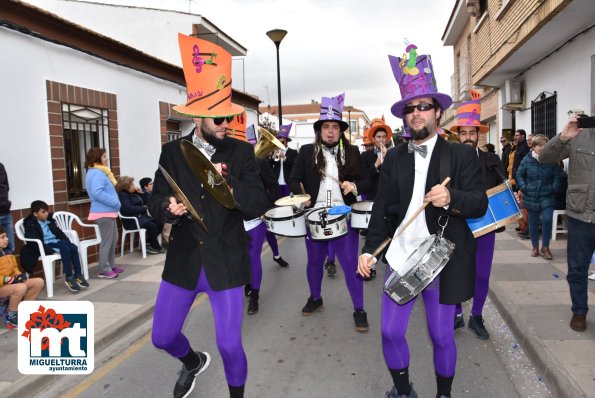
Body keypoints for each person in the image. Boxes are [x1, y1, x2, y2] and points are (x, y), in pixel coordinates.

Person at [357, 45, 487, 398]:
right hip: (400, 257)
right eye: (410, 108)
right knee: (390, 333)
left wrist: (452, 198)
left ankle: (444, 394)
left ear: (438, 112)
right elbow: (382, 209)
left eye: (423, 106)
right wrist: (369, 250)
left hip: (440, 260)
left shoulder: (460, 154)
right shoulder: (396, 157)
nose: (416, 114)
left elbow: (479, 203)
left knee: (441, 335)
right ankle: (404, 391)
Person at [149, 33, 269, 398]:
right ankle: (192, 362)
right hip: (184, 258)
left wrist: (230, 188)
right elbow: (154, 200)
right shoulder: (172, 152)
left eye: (229, 116)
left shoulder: (240, 152)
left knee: (230, 345)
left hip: (226, 259)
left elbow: (258, 201)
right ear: (199, 116)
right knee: (162, 337)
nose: (225, 124)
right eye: (217, 118)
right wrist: (168, 208)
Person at [288, 92, 371, 332]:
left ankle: (359, 309)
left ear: (340, 130)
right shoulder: (305, 152)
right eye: (326, 127)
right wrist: (302, 197)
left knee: (349, 264)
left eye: (335, 127)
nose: (331, 131)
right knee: (314, 262)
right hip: (315, 218)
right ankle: (315, 297)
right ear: (319, 130)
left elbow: (368, 182)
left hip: (344, 217)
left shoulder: (353, 152)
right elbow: (293, 180)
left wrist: (354, 186)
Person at [452, 97, 505, 339]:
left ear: (478, 134)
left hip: (485, 227)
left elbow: (502, 190)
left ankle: (476, 316)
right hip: (457, 226)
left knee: (482, 274)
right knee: (455, 271)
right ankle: (455, 313)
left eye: (472, 132)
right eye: (463, 132)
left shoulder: (491, 161)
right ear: (458, 134)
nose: (467, 137)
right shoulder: (448, 161)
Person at [540, 116, 595, 332]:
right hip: (581, 215)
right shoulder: (580, 134)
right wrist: (563, 137)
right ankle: (579, 311)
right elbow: (545, 157)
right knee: (577, 269)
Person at [22, 200, 90, 292]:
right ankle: (69, 277)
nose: (46, 214)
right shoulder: (31, 225)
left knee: (73, 247)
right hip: (46, 245)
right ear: (35, 214)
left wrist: (68, 242)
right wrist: (50, 251)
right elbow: (34, 242)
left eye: (47, 211)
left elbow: (59, 232)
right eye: (43, 212)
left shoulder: (49, 221)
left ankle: (78, 275)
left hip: (56, 241)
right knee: (65, 249)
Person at [517, 135, 564, 260]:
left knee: (547, 219)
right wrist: (524, 187)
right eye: (540, 146)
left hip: (547, 196)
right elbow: (519, 175)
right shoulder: (526, 160)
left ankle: (545, 247)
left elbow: (557, 177)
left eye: (545, 146)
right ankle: (535, 247)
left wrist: (553, 189)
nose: (542, 148)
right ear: (534, 146)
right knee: (533, 222)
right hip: (531, 196)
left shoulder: (551, 160)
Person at [85, 147, 122, 279]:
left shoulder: (99, 172)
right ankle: (103, 269)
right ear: (97, 158)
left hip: (108, 212)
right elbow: (97, 192)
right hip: (103, 212)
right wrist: (115, 202)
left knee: (113, 240)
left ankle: (110, 265)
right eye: (104, 156)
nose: (107, 159)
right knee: (107, 241)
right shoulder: (97, 173)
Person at [265, 123, 297, 268]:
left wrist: (285, 158)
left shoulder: (293, 153)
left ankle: (288, 227)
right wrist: (274, 157)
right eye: (279, 141)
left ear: (287, 142)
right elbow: (267, 167)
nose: (280, 143)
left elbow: (296, 166)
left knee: (288, 208)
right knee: (277, 207)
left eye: (282, 141)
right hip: (277, 185)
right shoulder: (274, 152)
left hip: (288, 184)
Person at [0, 226, 44, 329]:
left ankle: (25, 310)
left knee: (38, 282)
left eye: (6, 236)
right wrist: (7, 279)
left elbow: (14, 268)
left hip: (11, 283)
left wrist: (18, 275)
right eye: (2, 237)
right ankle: (12, 315)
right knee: (21, 287)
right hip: (3, 286)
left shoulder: (7, 252)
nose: (6, 239)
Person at [116, 176, 164, 254]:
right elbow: (127, 209)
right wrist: (143, 208)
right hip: (131, 221)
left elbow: (147, 201)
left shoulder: (133, 194)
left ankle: (148, 243)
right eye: (132, 184)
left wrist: (142, 193)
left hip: (141, 218)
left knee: (159, 222)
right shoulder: (123, 195)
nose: (134, 186)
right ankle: (156, 246)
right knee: (151, 226)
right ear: (126, 186)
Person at [360, 117, 392, 201]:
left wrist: (388, 156)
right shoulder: (365, 155)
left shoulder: (392, 155)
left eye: (384, 137)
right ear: (373, 139)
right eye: (378, 137)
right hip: (372, 199)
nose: (381, 140)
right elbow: (363, 179)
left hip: (390, 199)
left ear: (386, 139)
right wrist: (376, 164)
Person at [0, 163, 14, 254]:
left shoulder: (0, 166)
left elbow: (6, 186)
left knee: (10, 247)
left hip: (5, 213)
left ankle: (7, 268)